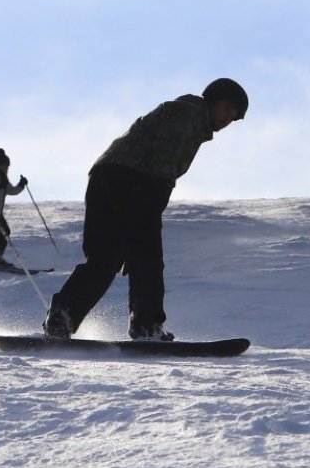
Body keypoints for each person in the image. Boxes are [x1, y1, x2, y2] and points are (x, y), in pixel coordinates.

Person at [42, 78, 249, 341]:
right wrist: (151, 208)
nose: (228, 119)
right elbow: (163, 159)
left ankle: (63, 316)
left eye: (234, 116)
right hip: (134, 179)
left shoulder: (185, 113)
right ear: (214, 99)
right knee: (147, 255)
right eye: (228, 109)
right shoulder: (190, 114)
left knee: (105, 258)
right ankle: (146, 324)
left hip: (106, 174)